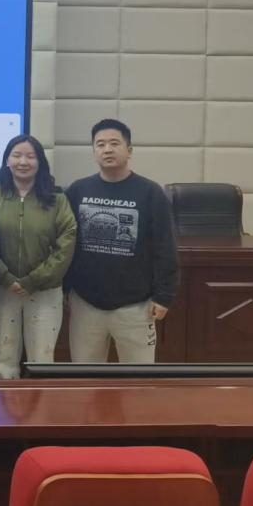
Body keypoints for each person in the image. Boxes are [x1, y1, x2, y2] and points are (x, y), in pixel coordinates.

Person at [64, 119, 178, 364]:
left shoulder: (150, 193)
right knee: (84, 378)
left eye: (114, 143)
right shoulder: (77, 191)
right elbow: (65, 244)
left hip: (136, 306)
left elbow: (165, 248)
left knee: (138, 379)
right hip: (85, 303)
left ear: (129, 150)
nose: (107, 149)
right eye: (100, 144)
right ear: (94, 151)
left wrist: (164, 295)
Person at [0, 134, 76, 379]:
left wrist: (33, 280)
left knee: (42, 360)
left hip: (45, 291)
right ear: (7, 161)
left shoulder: (57, 200)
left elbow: (66, 244)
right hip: (2, 289)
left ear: (40, 162)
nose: (23, 162)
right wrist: (6, 278)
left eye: (30, 156)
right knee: (4, 359)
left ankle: (40, 405)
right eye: (16, 155)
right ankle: (5, 404)